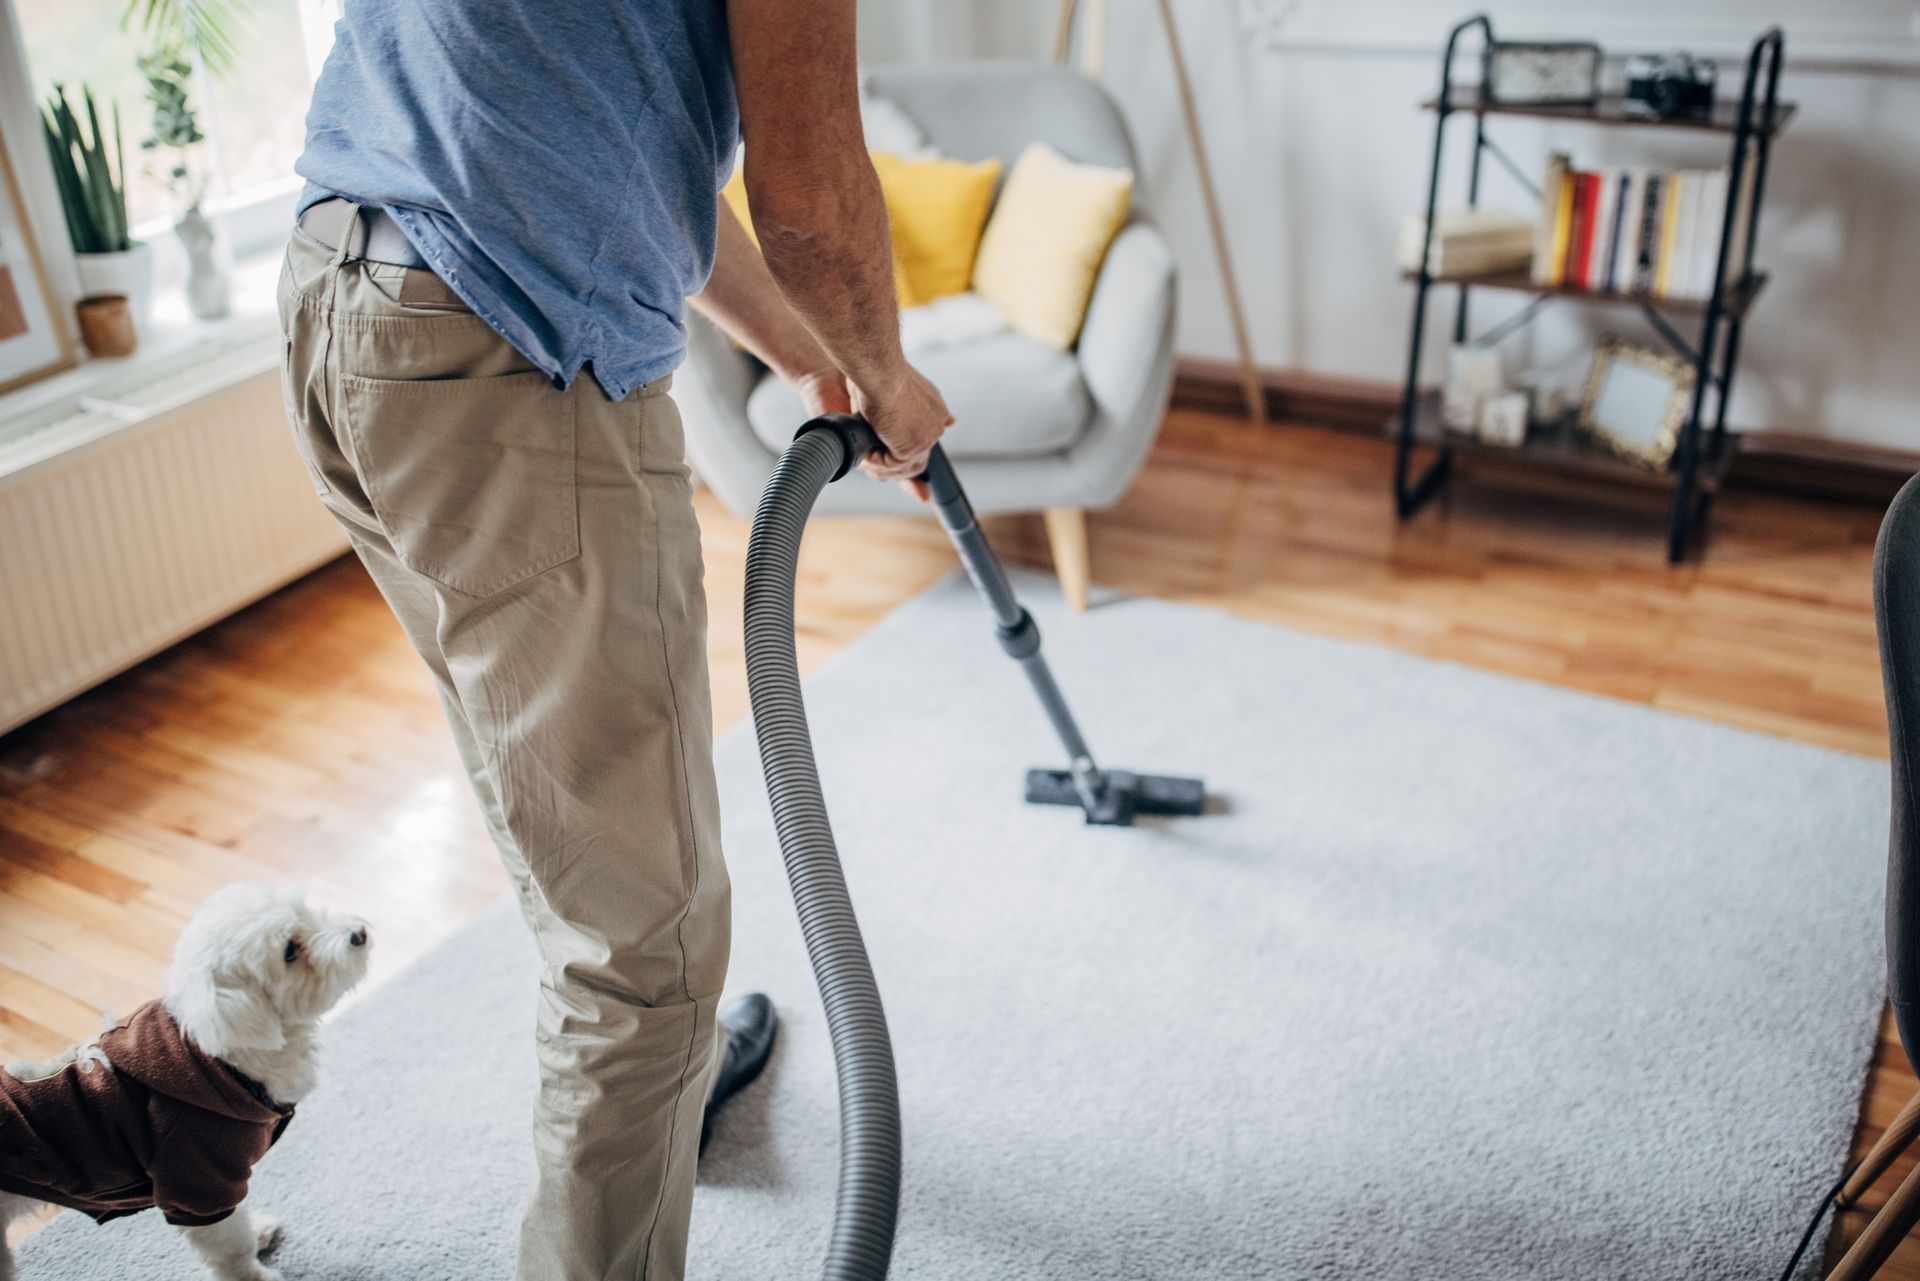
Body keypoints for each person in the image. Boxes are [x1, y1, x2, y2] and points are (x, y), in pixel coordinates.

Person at [280, 0, 953, 1276]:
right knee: (644, 955)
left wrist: (815, 360)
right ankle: (652, 1063)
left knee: (579, 845)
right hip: (510, 353)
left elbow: (609, 139)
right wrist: (889, 368)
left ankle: (656, 1090)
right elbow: (807, 191)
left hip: (351, 305)